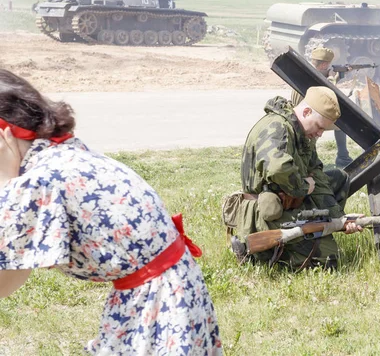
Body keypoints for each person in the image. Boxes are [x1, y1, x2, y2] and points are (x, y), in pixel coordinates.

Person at [0, 69, 222, 355]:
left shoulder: (37, 181)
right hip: (171, 285)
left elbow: (8, 276)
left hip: (157, 301)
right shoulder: (62, 153)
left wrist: (6, 186)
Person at [230, 86, 363, 270]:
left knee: (338, 177)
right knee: (327, 262)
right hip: (264, 214)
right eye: (319, 127)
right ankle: (259, 252)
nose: (319, 134)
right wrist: (303, 187)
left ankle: (302, 238)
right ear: (307, 111)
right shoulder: (277, 127)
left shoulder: (302, 135)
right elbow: (277, 168)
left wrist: (338, 219)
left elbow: (316, 173)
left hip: (291, 205)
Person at [290, 47, 353, 168]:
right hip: (308, 118)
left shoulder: (306, 71)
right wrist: (332, 78)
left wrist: (338, 76)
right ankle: (343, 157)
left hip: (302, 113)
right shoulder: (315, 77)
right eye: (328, 65)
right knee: (340, 125)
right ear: (324, 65)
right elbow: (328, 95)